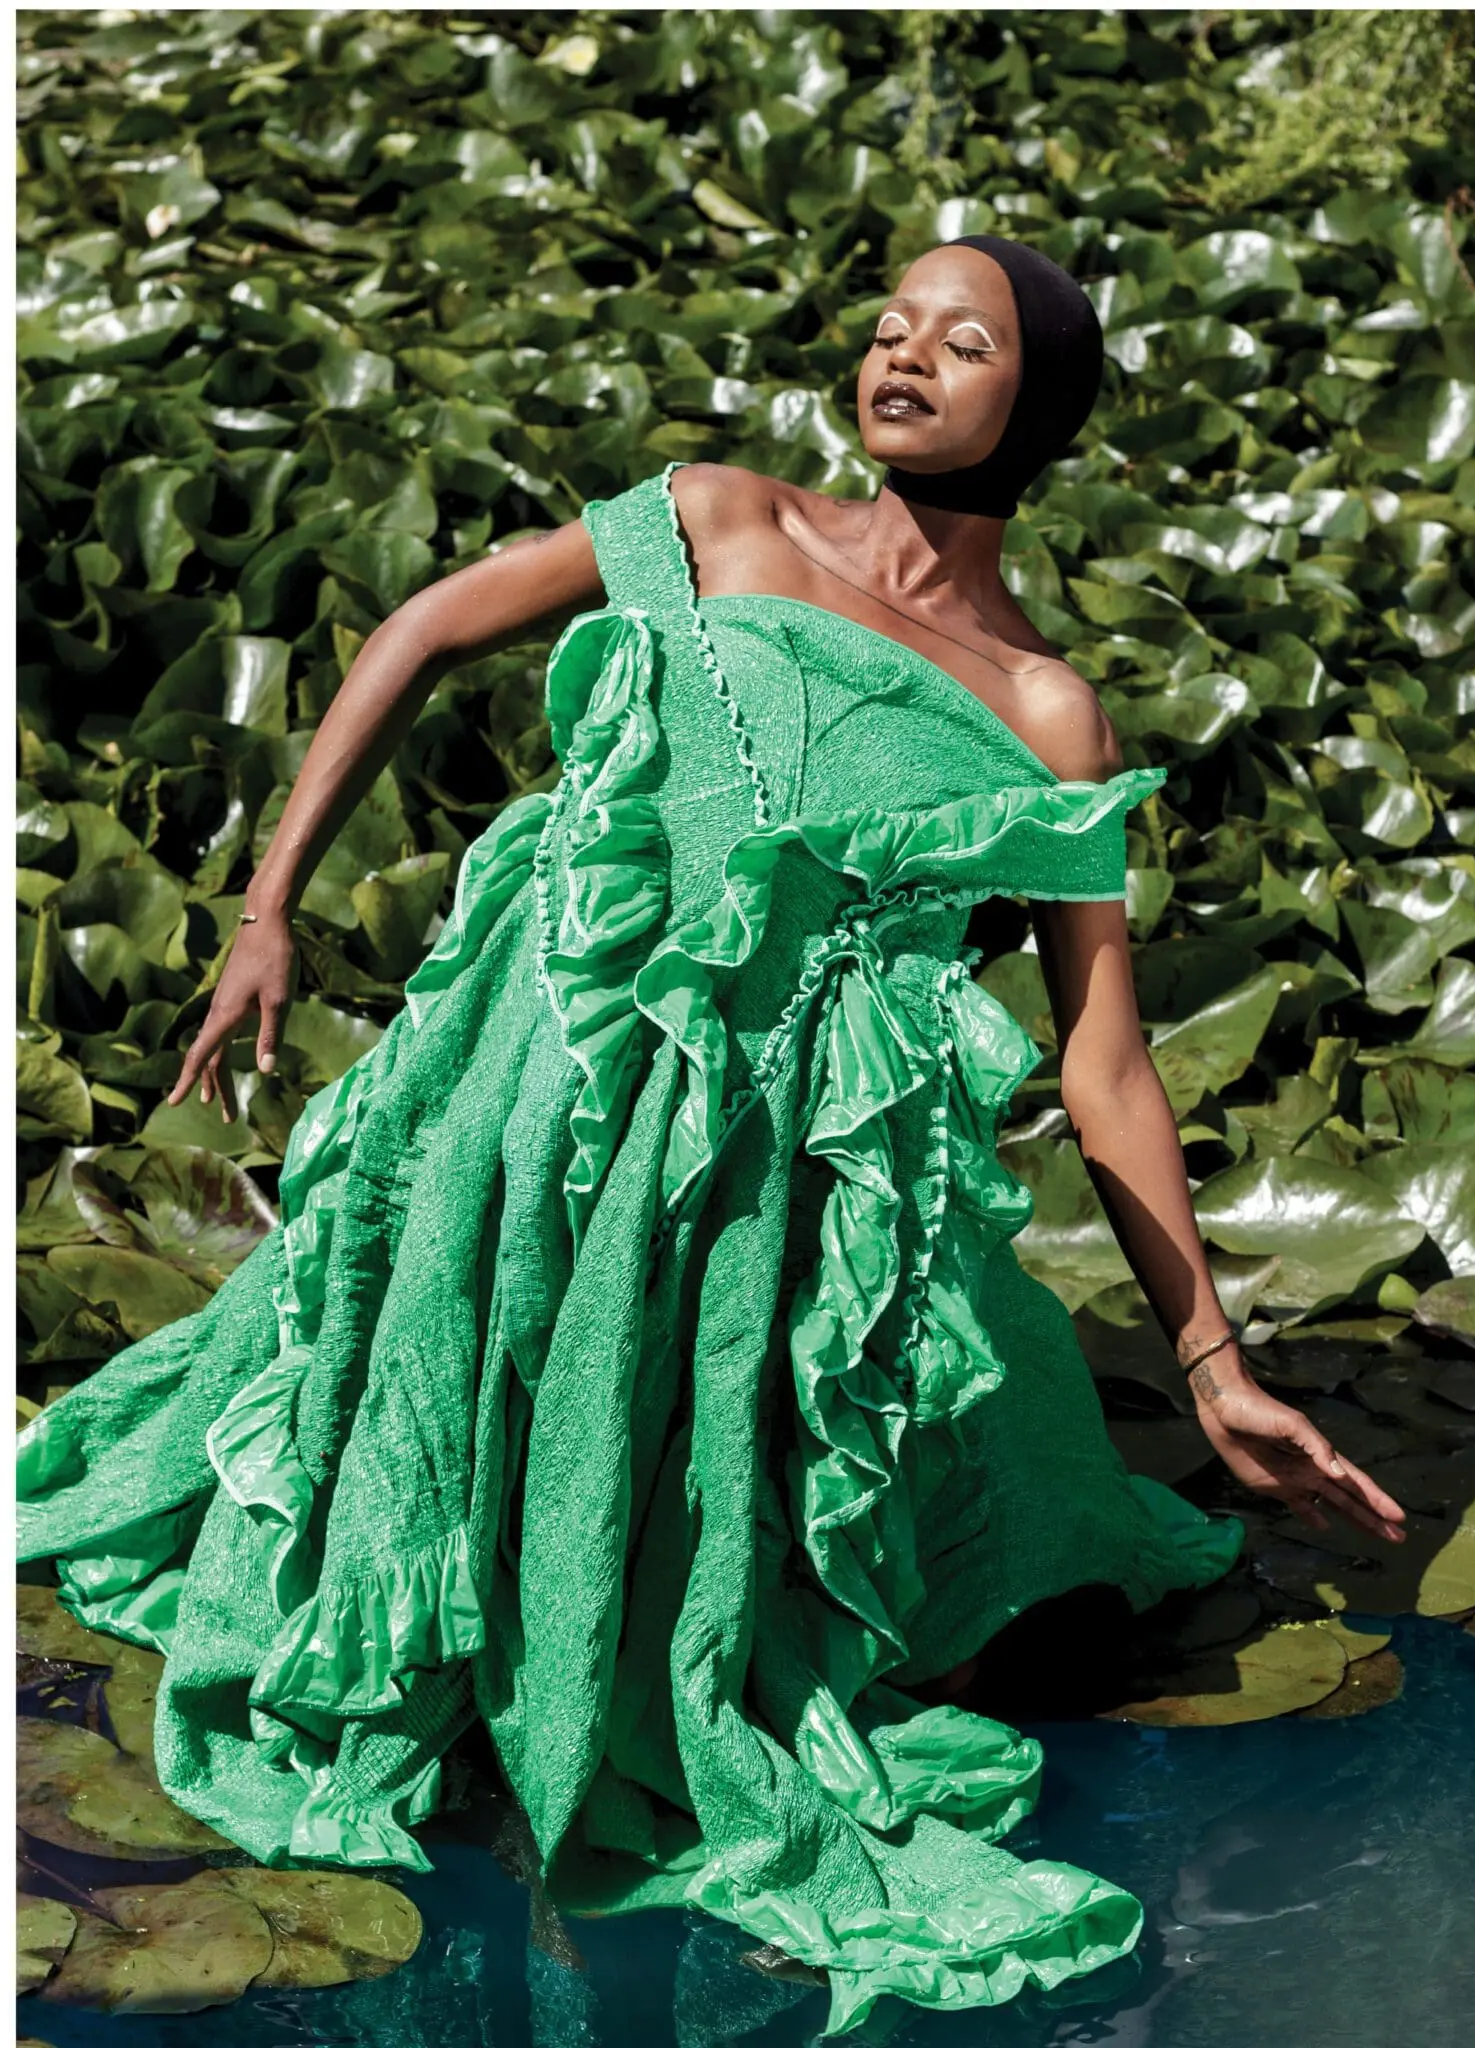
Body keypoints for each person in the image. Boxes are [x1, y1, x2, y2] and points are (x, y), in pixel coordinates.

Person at [17, 236, 1405, 2036]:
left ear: (1038, 404)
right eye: (889, 327)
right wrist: (270, 907)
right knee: (448, 1412)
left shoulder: (1042, 707)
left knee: (751, 1550)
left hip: (767, 1181)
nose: (903, 356)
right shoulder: (720, 515)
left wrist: (1211, 1356)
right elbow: (424, 627)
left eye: (961, 342)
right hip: (543, 1069)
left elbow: (1104, 1058)